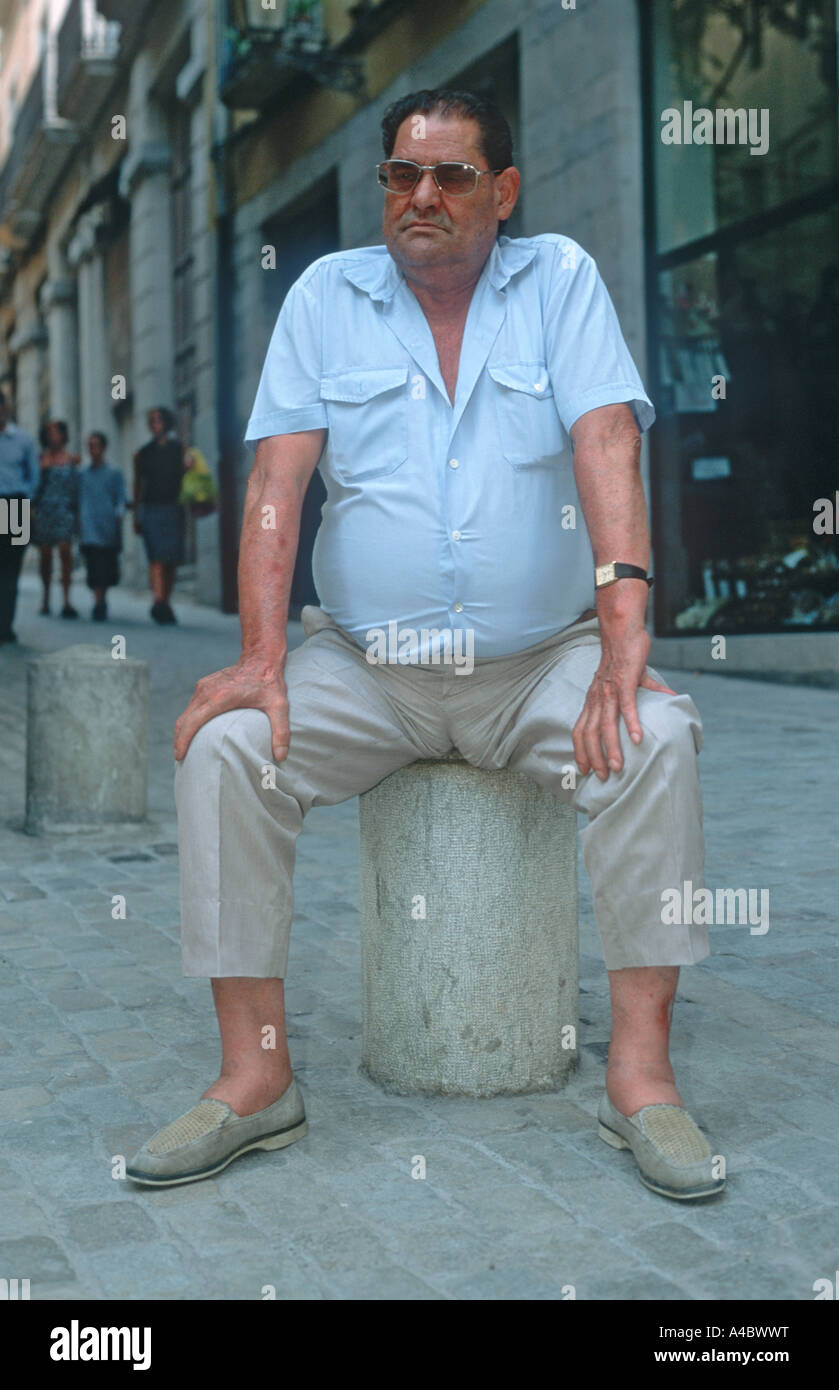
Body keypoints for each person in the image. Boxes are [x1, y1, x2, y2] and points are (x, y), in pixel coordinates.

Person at [128, 90, 723, 1202]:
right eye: (402, 175)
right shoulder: (324, 298)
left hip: (534, 661)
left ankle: (642, 1076)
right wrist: (261, 655)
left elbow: (605, 444)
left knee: (655, 740)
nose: (422, 196)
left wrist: (620, 638)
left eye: (450, 176)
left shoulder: (557, 282)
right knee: (225, 751)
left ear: (500, 192)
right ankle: (255, 1078)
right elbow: (276, 487)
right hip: (364, 670)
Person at [133, 406, 188, 624]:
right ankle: (158, 601)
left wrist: (189, 466)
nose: (155, 424)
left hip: (174, 507)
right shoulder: (143, 453)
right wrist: (137, 514)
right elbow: (138, 484)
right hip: (152, 508)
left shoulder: (179, 449)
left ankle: (166, 600)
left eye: (158, 420)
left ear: (166, 423)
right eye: (152, 421)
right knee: (156, 556)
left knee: (171, 559)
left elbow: (189, 477)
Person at [0, 389, 39, 645]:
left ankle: (5, 626)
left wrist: (25, 499)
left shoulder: (23, 440)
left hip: (15, 506)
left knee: (11, 569)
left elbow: (34, 475)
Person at [32, 419, 81, 618]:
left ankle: (67, 599)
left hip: (65, 511)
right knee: (45, 556)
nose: (53, 436)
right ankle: (45, 598)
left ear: (63, 435)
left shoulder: (72, 459)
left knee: (65, 553)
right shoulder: (40, 459)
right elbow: (33, 488)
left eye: (56, 432)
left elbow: (77, 488)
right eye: (49, 432)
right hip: (45, 511)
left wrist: (78, 514)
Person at [79, 431, 126, 622]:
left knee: (106, 566)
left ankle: (102, 599)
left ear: (104, 448)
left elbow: (121, 497)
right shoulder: (82, 473)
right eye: (90, 445)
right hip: (88, 526)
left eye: (97, 445)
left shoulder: (114, 472)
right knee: (93, 566)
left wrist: (119, 515)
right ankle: (98, 600)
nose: (93, 449)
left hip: (108, 526)